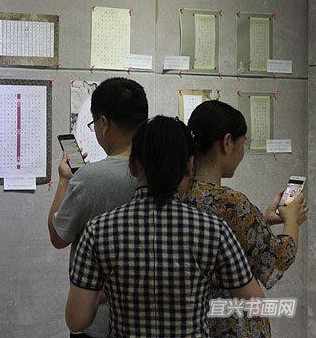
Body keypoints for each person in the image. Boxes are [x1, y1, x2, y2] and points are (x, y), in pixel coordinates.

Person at [65, 116, 264, 337]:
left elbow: (76, 321)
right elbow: (256, 308)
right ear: (189, 166)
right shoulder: (215, 230)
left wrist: (102, 294)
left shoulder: (97, 231)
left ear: (132, 166)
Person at [183, 100, 308, 337]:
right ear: (227, 142)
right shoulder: (231, 203)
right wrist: (291, 219)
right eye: (244, 142)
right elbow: (275, 260)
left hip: (193, 323)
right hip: (232, 324)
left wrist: (261, 220)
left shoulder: (179, 196)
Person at [48, 77, 148, 338]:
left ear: (104, 123)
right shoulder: (161, 176)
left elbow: (58, 237)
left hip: (97, 320)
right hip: (151, 320)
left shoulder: (89, 178)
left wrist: (64, 181)